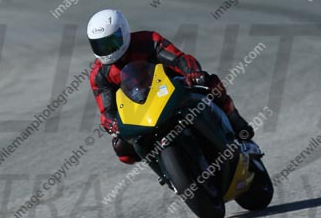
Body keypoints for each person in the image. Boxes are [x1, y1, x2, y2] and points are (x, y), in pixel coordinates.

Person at [87, 9, 255, 165]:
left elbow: (179, 59)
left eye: (111, 42)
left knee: (209, 83)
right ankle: (165, 169)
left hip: (171, 91)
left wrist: (192, 73)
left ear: (124, 32)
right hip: (139, 113)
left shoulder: (147, 41)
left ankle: (235, 121)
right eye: (100, 45)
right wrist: (112, 123)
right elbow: (106, 110)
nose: (107, 49)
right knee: (122, 149)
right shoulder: (99, 74)